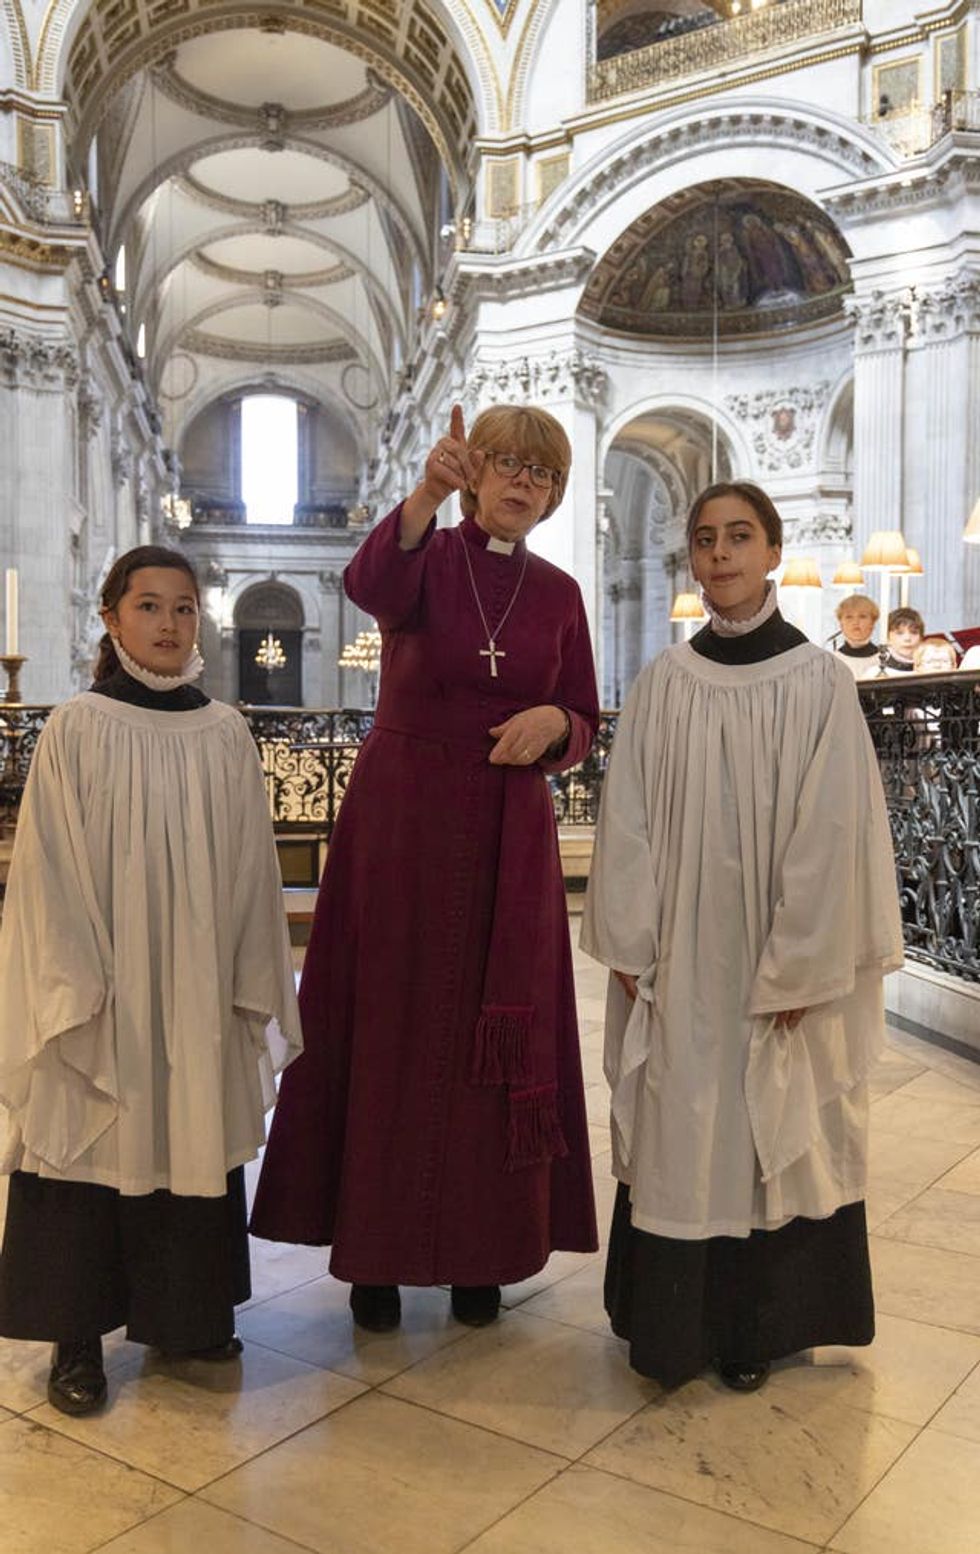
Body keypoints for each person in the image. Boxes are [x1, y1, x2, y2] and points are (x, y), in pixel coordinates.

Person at [250, 403, 599, 1331]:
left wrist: (559, 727)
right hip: (401, 823)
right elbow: (369, 582)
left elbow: (585, 711)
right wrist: (424, 494)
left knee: (496, 1030)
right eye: (509, 466)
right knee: (391, 1026)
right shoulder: (428, 557)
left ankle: (482, 1257)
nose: (524, 484)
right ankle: (376, 1256)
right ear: (475, 472)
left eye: (544, 474)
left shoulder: (561, 594)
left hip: (504, 829)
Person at [582, 481, 903, 1393]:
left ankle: (760, 1329)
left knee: (773, 1131)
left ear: (772, 552)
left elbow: (833, 834)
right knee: (685, 1125)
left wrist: (805, 965)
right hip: (680, 964)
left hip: (777, 971)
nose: (719, 554)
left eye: (739, 537)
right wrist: (634, 949)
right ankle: (674, 1329)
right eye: (704, 539)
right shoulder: (662, 683)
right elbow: (630, 822)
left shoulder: (819, 683)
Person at [0, 546, 301, 1414]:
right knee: (90, 1136)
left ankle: (184, 1315)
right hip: (99, 985)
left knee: (188, 1126)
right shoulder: (78, 727)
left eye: (182, 609)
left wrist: (242, 970)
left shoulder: (223, 730)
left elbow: (251, 868)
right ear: (112, 618)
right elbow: (49, 866)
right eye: (149, 607)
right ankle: (76, 1336)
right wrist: (81, 981)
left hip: (196, 981)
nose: (168, 625)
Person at [834, 592, 881, 679]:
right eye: (849, 617)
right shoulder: (831, 662)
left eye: (862, 616)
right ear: (841, 623)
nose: (855, 622)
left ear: (873, 622)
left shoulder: (885, 660)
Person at [884, 606, 924, 673]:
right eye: (900, 633)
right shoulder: (877, 673)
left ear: (921, 638)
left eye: (914, 632)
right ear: (888, 638)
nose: (907, 638)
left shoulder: (930, 671)